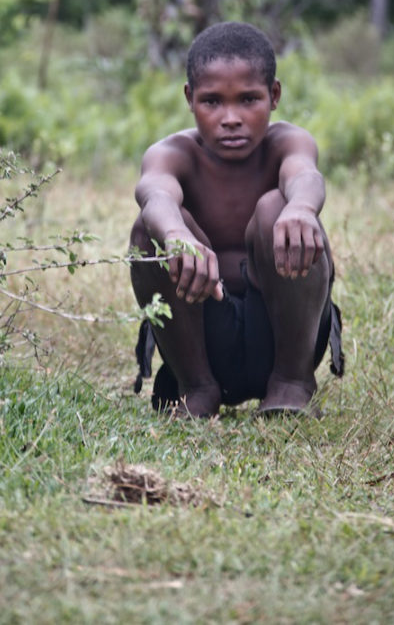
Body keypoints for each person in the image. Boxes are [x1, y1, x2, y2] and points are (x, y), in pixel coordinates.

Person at [130, 21, 343, 419]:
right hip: (203, 343)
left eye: (248, 99)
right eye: (212, 102)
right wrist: (176, 235)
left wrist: (300, 209)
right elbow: (154, 193)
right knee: (149, 229)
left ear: (274, 95)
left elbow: (305, 176)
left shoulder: (287, 143)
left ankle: (293, 385)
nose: (231, 117)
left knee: (275, 210)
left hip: (282, 339)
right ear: (189, 98)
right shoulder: (172, 153)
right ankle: (197, 389)